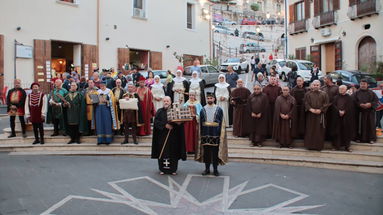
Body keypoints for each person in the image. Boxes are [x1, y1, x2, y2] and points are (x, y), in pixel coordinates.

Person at [151, 96, 186, 175]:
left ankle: (173, 169)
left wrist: (179, 123)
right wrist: (164, 125)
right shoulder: (159, 111)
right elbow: (156, 122)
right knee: (163, 152)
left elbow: (181, 121)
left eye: (167, 101)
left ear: (170, 102)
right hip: (162, 137)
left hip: (173, 136)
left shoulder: (175, 111)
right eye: (164, 101)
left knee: (173, 152)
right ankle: (162, 169)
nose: (166, 102)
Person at [196, 92, 228, 176]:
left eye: (211, 98)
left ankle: (215, 169)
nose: (209, 100)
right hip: (205, 134)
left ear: (214, 99)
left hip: (215, 134)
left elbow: (222, 123)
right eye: (208, 98)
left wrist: (220, 133)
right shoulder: (203, 109)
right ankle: (207, 169)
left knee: (215, 153)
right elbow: (200, 122)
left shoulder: (219, 109)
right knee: (206, 153)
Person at [304, 80, 329, 151]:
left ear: (320, 86)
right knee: (310, 130)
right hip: (310, 115)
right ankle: (309, 146)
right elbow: (306, 103)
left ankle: (318, 146)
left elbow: (326, 103)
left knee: (319, 131)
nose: (316, 86)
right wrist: (310, 109)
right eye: (314, 85)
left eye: (317, 85)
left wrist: (321, 110)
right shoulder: (308, 94)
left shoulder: (324, 94)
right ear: (312, 85)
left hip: (320, 115)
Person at [353, 79, 378, 144]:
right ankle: (358, 138)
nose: (362, 85)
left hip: (369, 112)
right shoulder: (356, 93)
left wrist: (370, 104)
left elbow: (376, 101)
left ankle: (371, 139)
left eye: (364, 84)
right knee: (359, 125)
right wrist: (359, 104)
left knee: (370, 126)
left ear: (367, 85)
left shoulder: (372, 93)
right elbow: (353, 101)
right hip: (359, 112)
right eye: (361, 84)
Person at [332, 85, 355, 151]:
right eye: (340, 89)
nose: (341, 90)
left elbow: (350, 107)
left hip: (346, 118)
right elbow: (333, 106)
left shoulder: (349, 98)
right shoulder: (336, 97)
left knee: (346, 132)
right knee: (337, 132)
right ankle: (336, 146)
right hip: (337, 118)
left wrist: (344, 111)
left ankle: (347, 147)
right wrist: (338, 111)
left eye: (342, 89)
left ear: (346, 89)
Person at [321, 75, 339, 141]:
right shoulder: (322, 88)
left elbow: (337, 98)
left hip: (333, 108)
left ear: (329, 79)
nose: (324, 80)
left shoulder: (336, 88)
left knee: (332, 123)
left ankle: (332, 137)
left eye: (325, 79)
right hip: (324, 108)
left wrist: (331, 104)